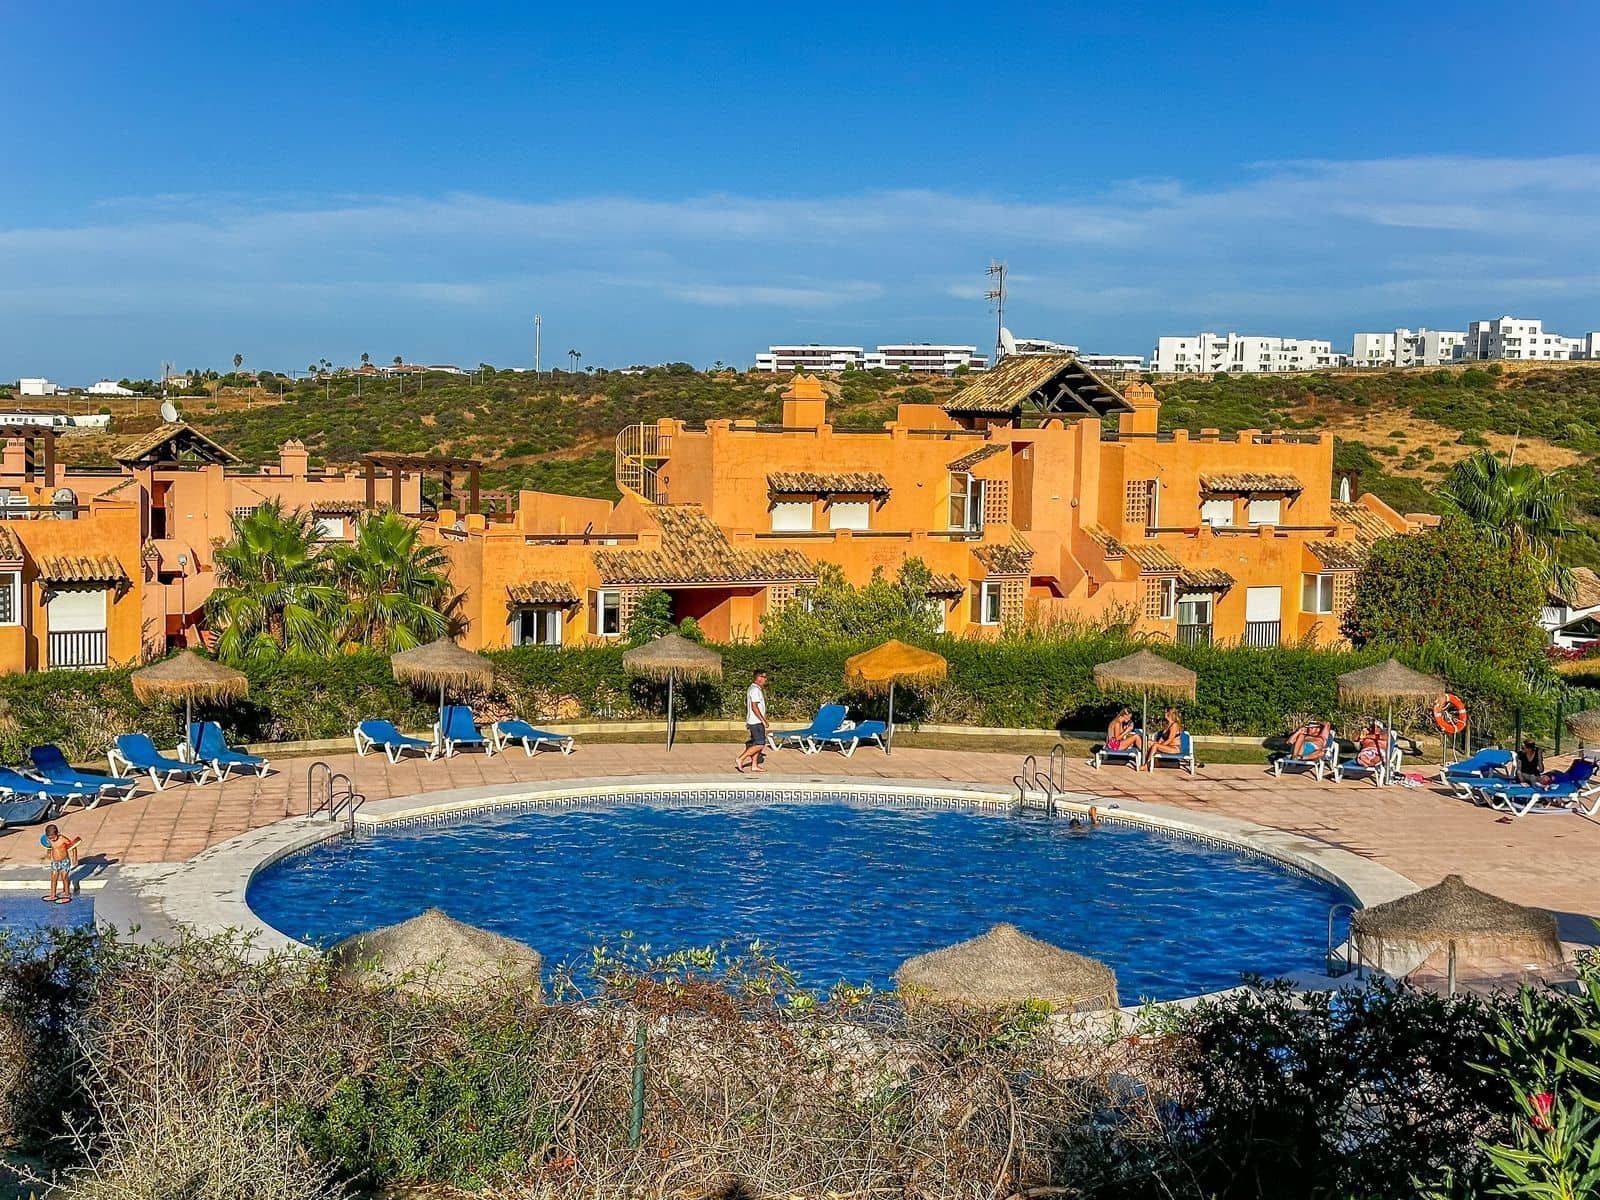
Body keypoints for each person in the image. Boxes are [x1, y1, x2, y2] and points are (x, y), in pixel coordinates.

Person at [735, 669, 770, 774]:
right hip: (756, 722)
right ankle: (741, 758)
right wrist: (763, 720)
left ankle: (754, 765)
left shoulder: (754, 688)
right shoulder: (755, 690)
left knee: (756, 743)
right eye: (764, 677)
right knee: (760, 744)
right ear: (759, 678)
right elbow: (754, 707)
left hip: (754, 721)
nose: (765, 679)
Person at [42, 825, 80, 904]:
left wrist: (74, 858)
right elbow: (49, 847)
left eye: (53, 837)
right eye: (50, 838)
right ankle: (53, 894)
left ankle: (67, 894)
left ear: (57, 833)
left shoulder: (63, 839)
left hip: (64, 861)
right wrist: (48, 853)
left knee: (64, 877)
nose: (52, 839)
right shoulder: (49, 840)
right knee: (53, 878)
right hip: (55, 862)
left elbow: (73, 847)